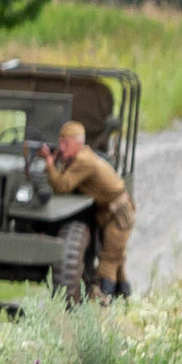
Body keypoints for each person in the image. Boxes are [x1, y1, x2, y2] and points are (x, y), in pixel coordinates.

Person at [34, 120, 136, 301]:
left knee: (109, 260)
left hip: (119, 213)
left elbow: (62, 185)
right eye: (60, 142)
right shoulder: (81, 157)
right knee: (117, 260)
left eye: (66, 143)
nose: (61, 147)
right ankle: (124, 299)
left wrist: (49, 163)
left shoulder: (83, 160)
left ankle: (104, 303)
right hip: (111, 212)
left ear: (77, 144)